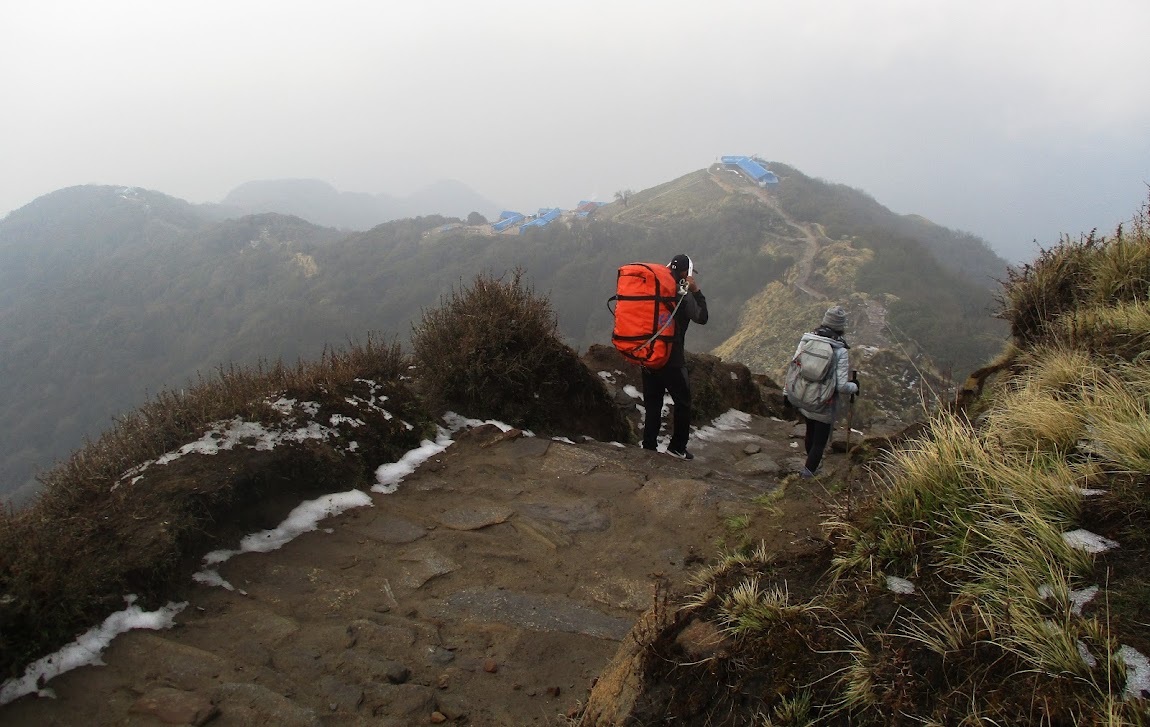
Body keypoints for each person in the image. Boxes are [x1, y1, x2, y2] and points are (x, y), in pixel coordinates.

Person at [641, 254, 708, 459]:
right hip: (672, 358)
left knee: (653, 404)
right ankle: (677, 447)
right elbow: (702, 317)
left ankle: (649, 446)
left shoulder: (654, 288)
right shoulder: (682, 293)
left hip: (649, 355)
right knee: (683, 403)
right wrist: (696, 291)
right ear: (685, 273)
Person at [793, 305, 859, 477]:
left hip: (805, 394)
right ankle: (808, 475)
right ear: (841, 326)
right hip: (825, 401)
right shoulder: (840, 350)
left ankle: (810, 466)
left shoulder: (807, 340)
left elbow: (795, 366)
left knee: (810, 432)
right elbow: (841, 386)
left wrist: (789, 392)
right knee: (820, 442)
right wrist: (855, 386)